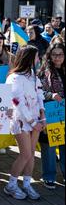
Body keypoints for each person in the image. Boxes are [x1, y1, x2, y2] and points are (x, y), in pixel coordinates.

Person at [5, 45, 45, 200]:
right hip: (20, 121)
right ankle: (11, 185)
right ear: (29, 58)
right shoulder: (14, 78)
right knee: (25, 154)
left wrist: (42, 117)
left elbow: (40, 96)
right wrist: (31, 121)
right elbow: (17, 102)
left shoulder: (35, 76)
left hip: (36, 120)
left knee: (31, 155)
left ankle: (27, 184)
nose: (38, 59)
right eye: (36, 56)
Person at [38, 43, 65, 188]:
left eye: (60, 54)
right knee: (49, 145)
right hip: (51, 110)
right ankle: (49, 176)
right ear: (49, 55)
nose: (57, 57)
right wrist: (51, 95)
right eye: (54, 54)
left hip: (63, 111)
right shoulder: (44, 72)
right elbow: (37, 92)